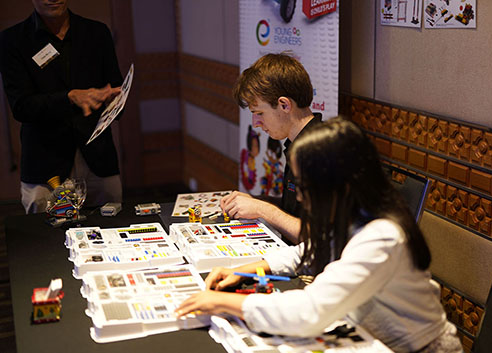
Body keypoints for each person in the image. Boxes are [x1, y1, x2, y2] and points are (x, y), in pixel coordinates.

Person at [177, 118, 463, 353]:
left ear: (336, 185)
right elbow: (312, 248)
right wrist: (249, 269)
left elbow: (311, 311)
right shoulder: (352, 212)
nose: (300, 195)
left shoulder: (382, 236)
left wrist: (220, 302)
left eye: (305, 186)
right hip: (370, 336)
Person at [0, 0, 123, 213]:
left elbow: (115, 86)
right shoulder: (12, 40)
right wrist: (70, 97)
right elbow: (21, 106)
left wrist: (114, 100)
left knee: (110, 229)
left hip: (97, 158)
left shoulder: (96, 32)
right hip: (45, 163)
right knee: (45, 240)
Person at [221, 53, 321, 243]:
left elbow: (317, 237)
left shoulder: (320, 152)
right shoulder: (298, 143)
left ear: (284, 105)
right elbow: (293, 211)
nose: (255, 123)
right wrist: (254, 202)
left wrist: (262, 209)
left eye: (259, 113)